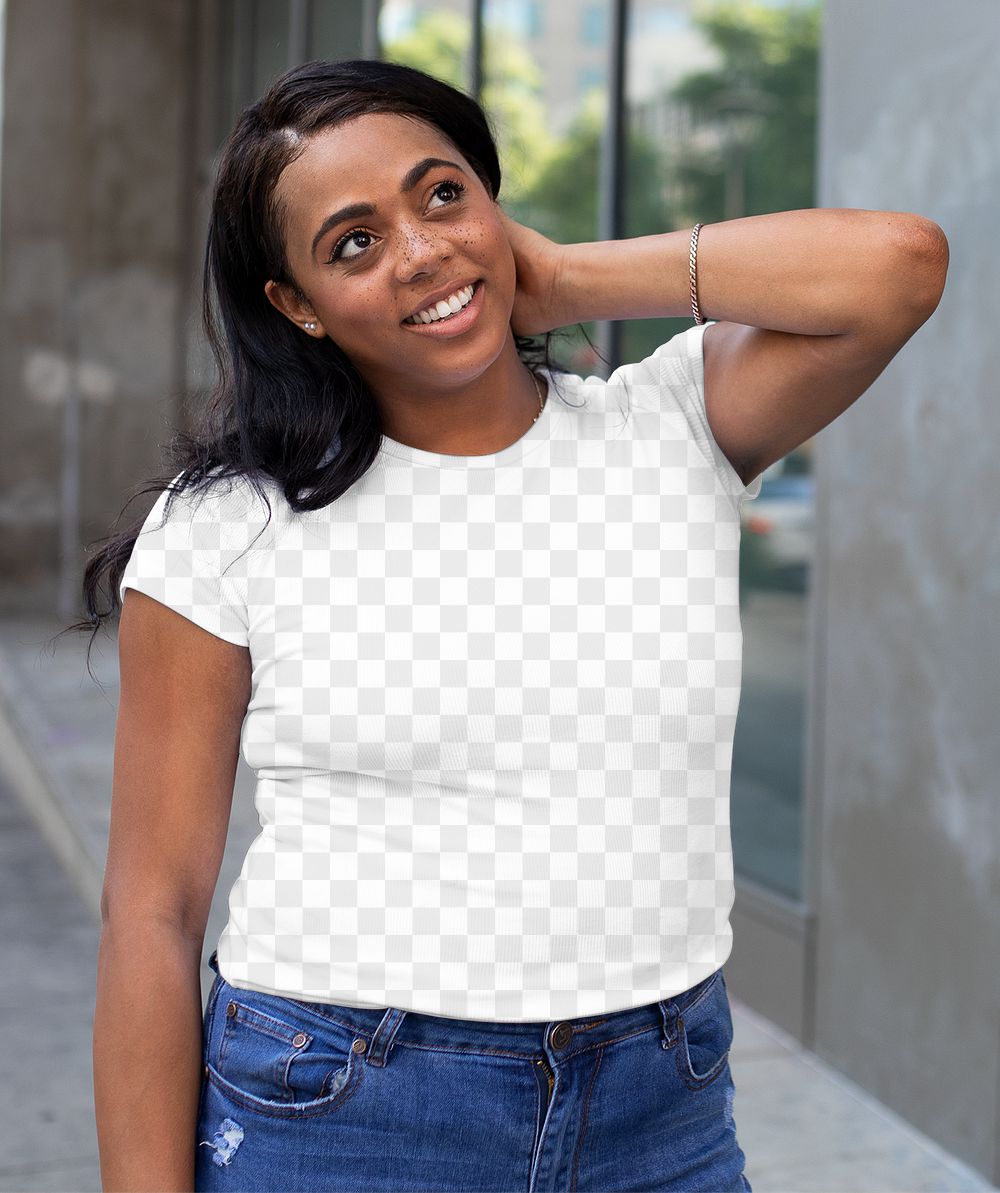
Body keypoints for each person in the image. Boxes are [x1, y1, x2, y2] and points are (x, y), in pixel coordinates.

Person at [84, 58, 948, 1192]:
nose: (421, 250)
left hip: (661, 1102)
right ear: (293, 305)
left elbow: (896, 266)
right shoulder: (230, 525)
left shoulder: (670, 429)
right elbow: (152, 908)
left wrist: (568, 279)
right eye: (353, 242)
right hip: (345, 1107)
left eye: (442, 195)